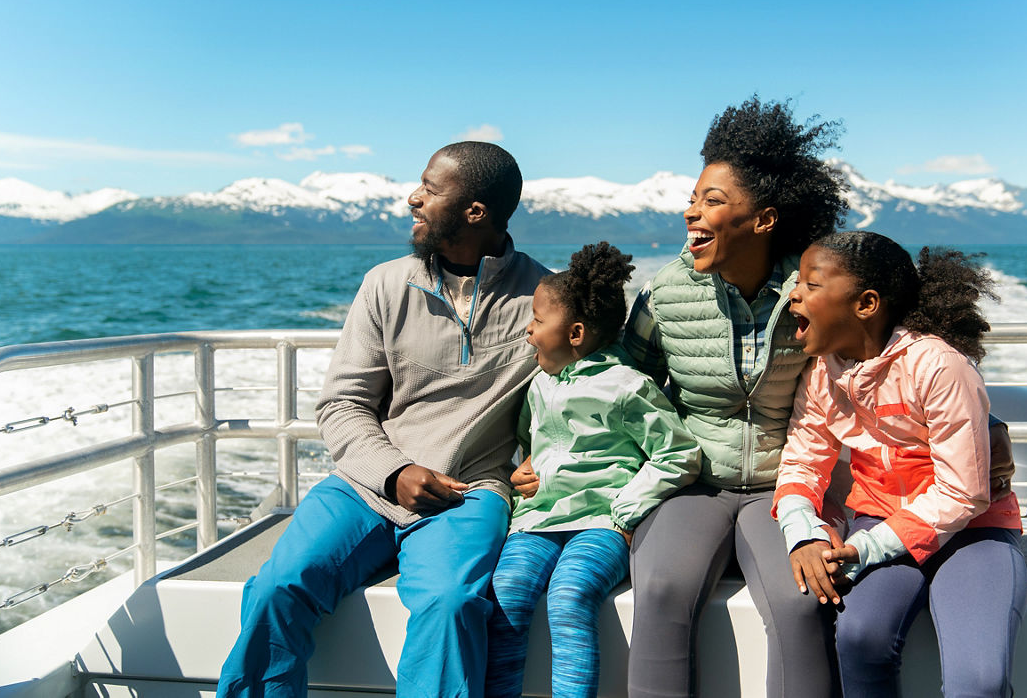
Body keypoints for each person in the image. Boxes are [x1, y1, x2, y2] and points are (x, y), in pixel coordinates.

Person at [216, 141, 551, 698]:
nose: (412, 198)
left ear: (475, 212)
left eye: (430, 189)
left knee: (450, 604)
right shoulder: (385, 284)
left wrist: (548, 456)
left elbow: (581, 398)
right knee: (277, 586)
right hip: (365, 485)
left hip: (468, 491)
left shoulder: (545, 299)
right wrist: (395, 472)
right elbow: (342, 404)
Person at [622, 96, 847, 698]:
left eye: (712, 200)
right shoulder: (665, 293)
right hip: (692, 480)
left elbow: (873, 367)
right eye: (693, 198)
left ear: (764, 220)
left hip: (788, 488)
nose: (691, 211)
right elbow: (621, 389)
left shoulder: (810, 293)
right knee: (663, 591)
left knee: (804, 606)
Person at [776, 232, 1027, 697]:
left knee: (980, 679)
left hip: (975, 531)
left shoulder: (939, 367)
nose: (793, 295)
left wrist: (867, 548)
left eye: (811, 285)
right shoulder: (820, 375)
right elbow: (803, 461)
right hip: (881, 523)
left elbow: (962, 494)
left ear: (866, 304)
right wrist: (803, 533)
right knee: (859, 637)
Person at [485, 242, 701, 698]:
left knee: (569, 597)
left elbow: (678, 454)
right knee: (505, 594)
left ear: (576, 332)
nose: (529, 330)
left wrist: (625, 509)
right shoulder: (539, 384)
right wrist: (516, 475)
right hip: (536, 521)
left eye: (539, 321)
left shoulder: (627, 387)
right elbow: (528, 447)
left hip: (601, 525)